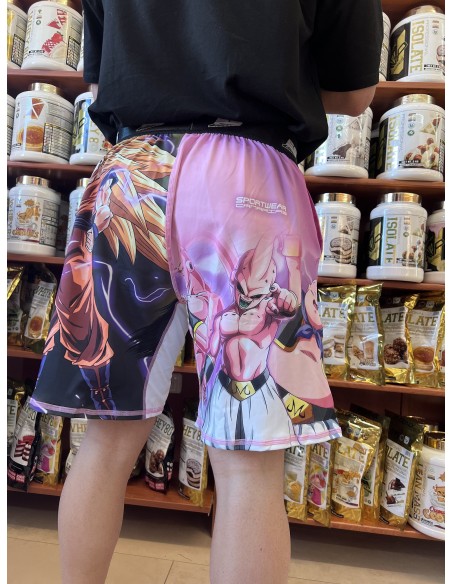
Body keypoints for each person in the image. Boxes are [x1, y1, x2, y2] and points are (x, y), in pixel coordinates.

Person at [30, 1, 383, 582]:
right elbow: (354, 94)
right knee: (247, 464)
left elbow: (100, 80)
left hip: (132, 176)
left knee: (105, 439)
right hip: (248, 174)